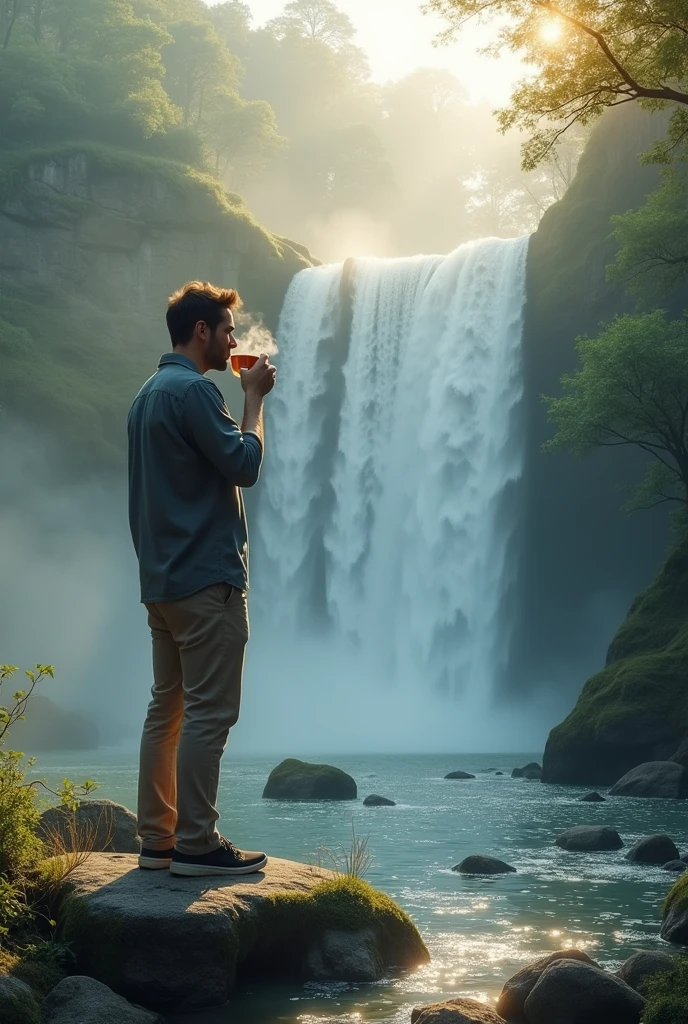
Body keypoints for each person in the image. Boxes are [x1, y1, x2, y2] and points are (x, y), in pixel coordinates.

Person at [127, 281, 276, 877]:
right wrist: (254, 401)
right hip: (205, 581)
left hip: (161, 582)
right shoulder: (193, 392)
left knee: (168, 709)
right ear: (201, 333)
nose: (235, 340)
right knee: (211, 712)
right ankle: (196, 843)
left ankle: (157, 839)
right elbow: (244, 464)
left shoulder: (145, 395)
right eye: (228, 330)